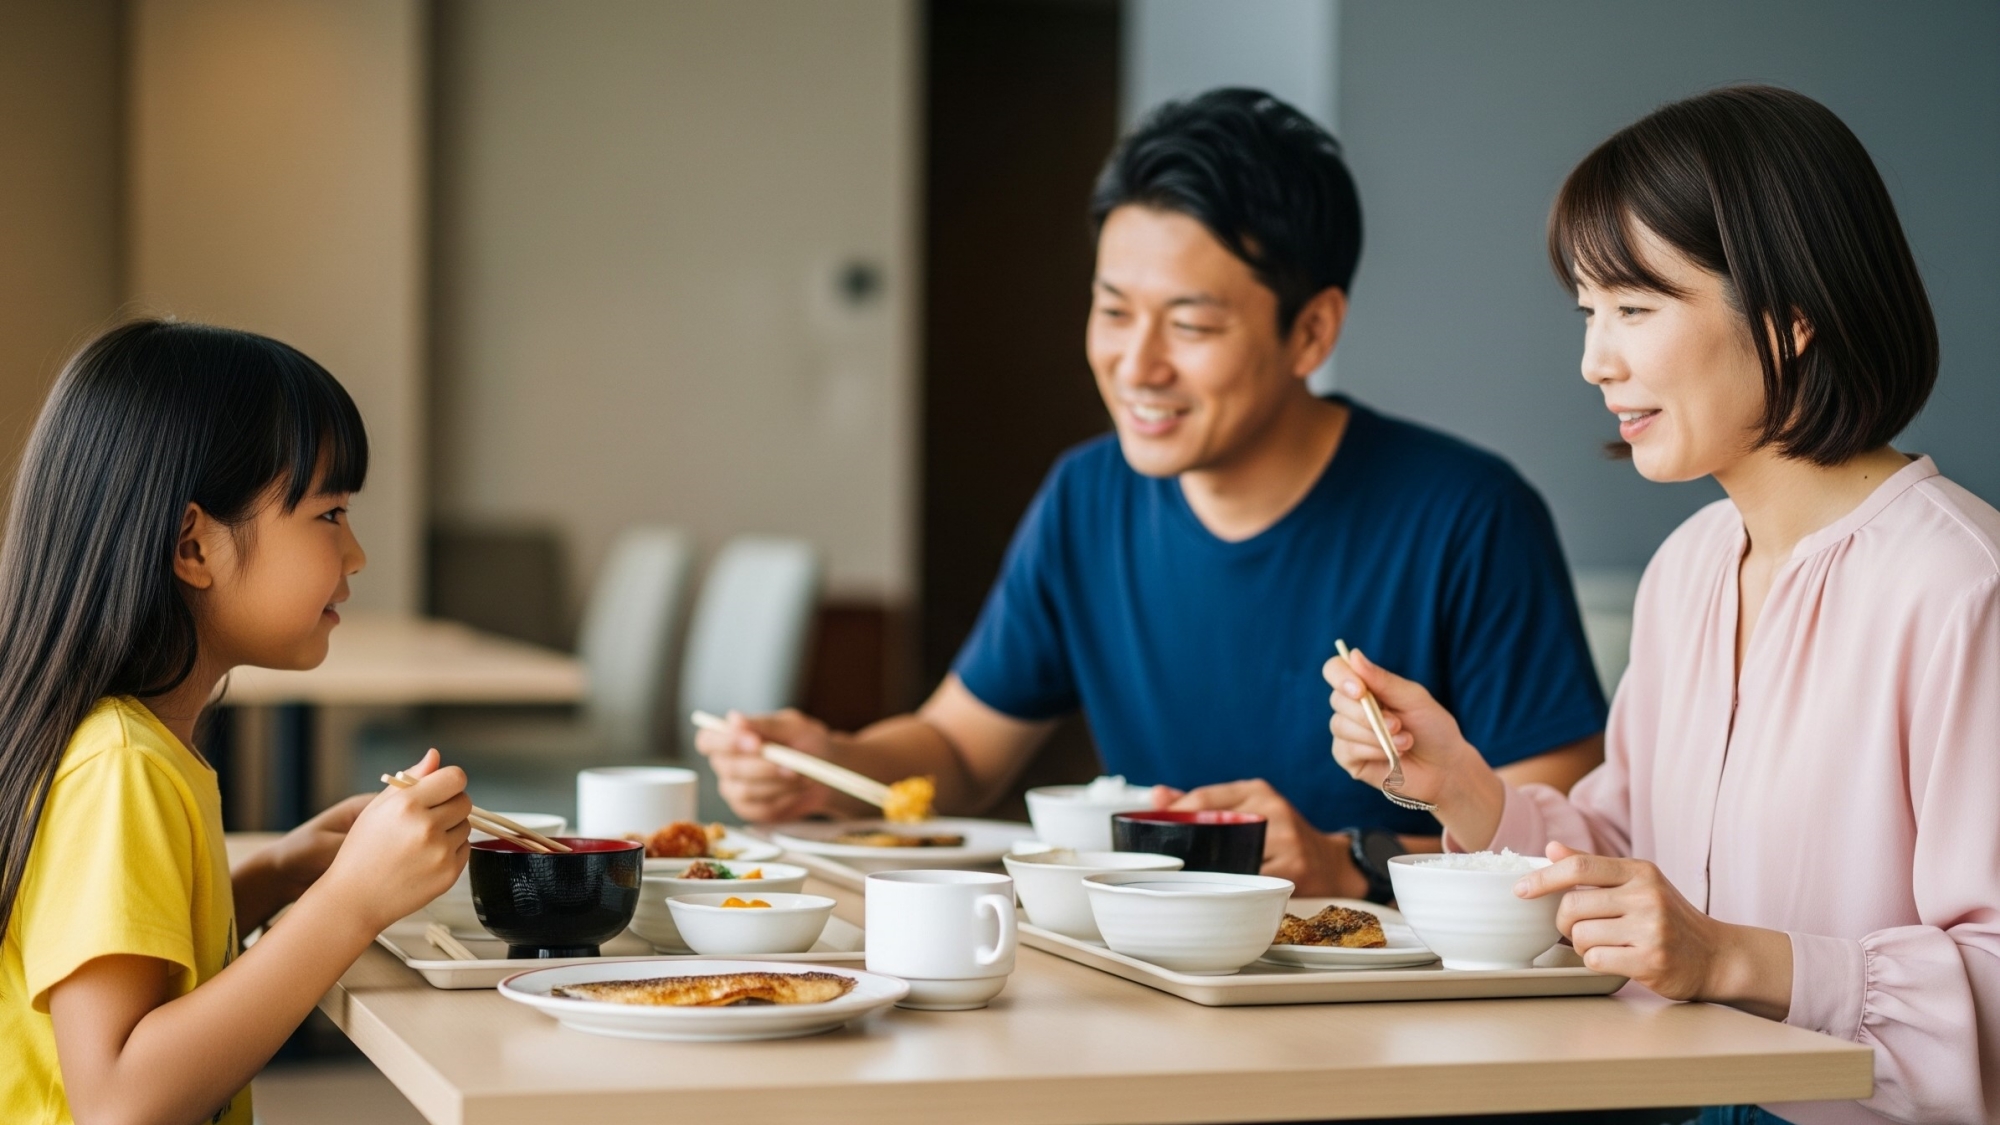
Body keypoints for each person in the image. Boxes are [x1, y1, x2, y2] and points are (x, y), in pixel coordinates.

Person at [701, 88, 1608, 898]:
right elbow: (959, 751)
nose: (1136, 364)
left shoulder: (1466, 515)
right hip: (1161, 979)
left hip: (1405, 1007)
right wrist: (829, 763)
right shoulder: (1087, 497)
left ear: (1311, 331)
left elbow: (1561, 829)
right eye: (1113, 311)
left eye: (1191, 324)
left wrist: (1348, 861)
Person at [1328, 85, 1997, 1125]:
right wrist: (1460, 784)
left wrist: (1728, 956)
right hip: (1678, 1099)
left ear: (1790, 316)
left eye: (1634, 309)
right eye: (1588, 312)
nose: (1594, 361)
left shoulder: (1961, 587)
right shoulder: (1687, 568)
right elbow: (1632, 857)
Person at [0, 320, 471, 1125]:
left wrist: (276, 874)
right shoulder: (119, 767)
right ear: (193, 546)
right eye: (329, 514)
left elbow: (151, 968)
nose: (356, 553)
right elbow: (118, 1100)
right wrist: (351, 899)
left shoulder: (136, 745)